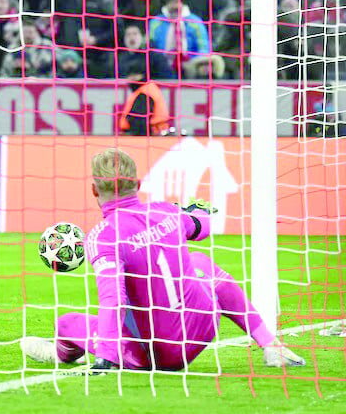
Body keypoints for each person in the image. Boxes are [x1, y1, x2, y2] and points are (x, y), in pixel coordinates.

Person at [20, 148, 306, 371]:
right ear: (139, 183)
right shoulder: (168, 211)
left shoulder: (103, 236)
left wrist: (105, 358)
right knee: (202, 264)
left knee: (67, 323)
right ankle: (271, 345)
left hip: (156, 353)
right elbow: (202, 227)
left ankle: (60, 354)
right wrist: (199, 211)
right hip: (202, 330)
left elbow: (114, 300)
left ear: (94, 190)